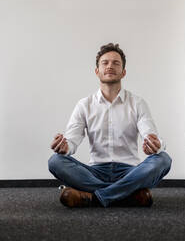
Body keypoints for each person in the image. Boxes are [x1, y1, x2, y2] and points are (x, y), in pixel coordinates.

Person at [48, 43, 172, 208]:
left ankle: (94, 197)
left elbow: (151, 136)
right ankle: (126, 195)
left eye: (116, 63)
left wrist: (156, 146)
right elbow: (71, 140)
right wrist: (65, 147)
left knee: (163, 159)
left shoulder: (138, 103)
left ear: (124, 72)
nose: (110, 66)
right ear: (97, 71)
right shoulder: (84, 105)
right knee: (56, 161)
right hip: (94, 172)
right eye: (105, 63)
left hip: (129, 172)